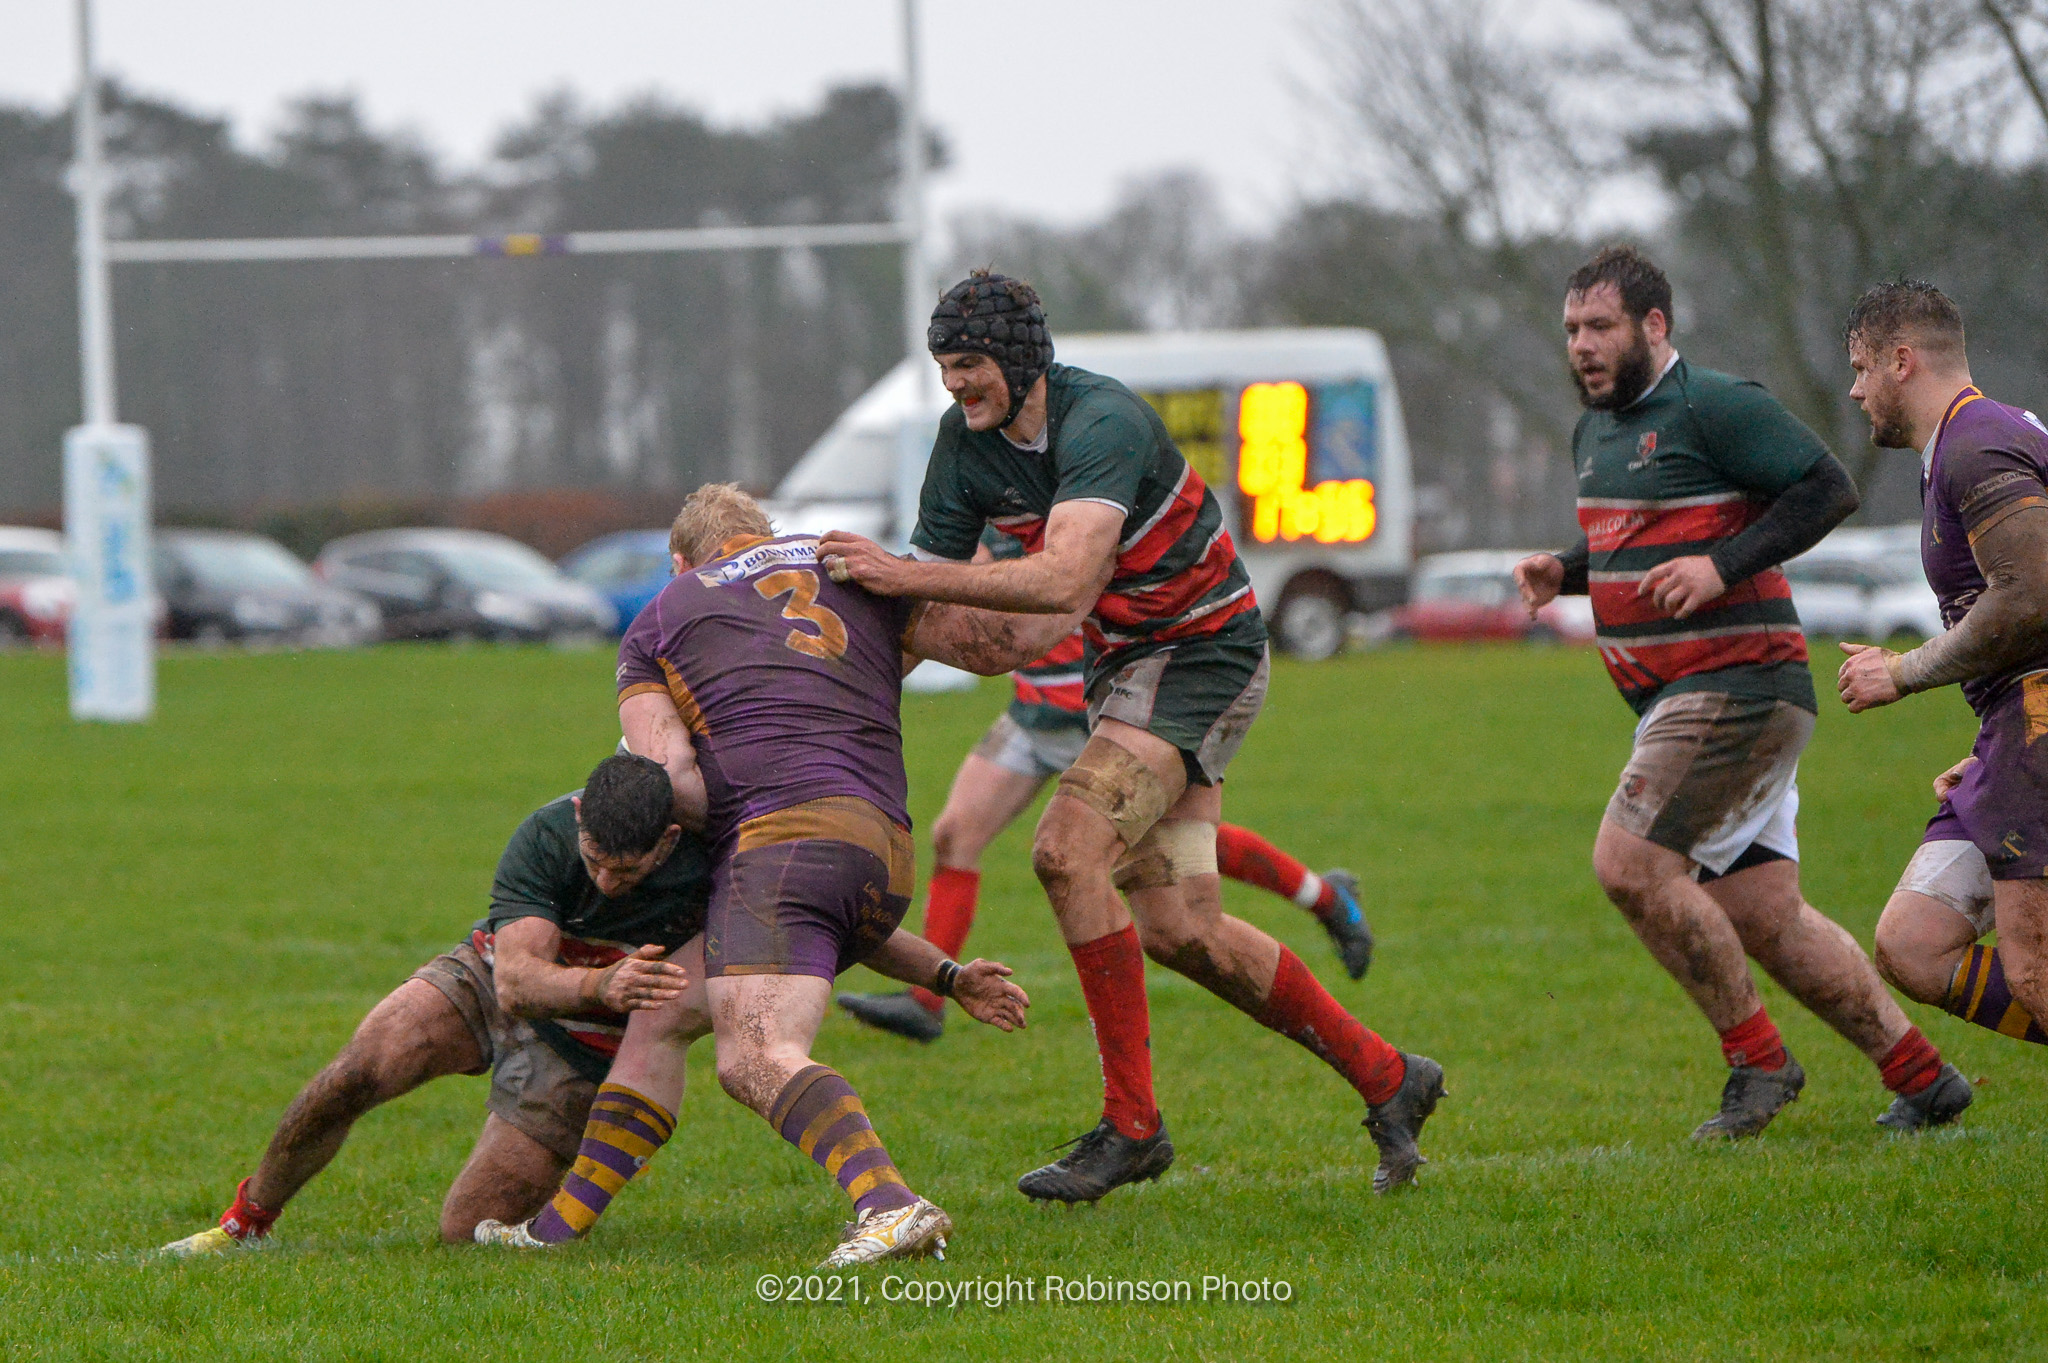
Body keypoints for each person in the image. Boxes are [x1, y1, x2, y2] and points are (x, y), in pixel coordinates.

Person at [817, 270, 1443, 1201]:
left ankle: (1133, 1126)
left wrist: (902, 577)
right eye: (945, 367)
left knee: (1065, 850)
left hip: (1204, 656)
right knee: (1186, 931)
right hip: (1127, 668)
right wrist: (827, 694)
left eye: (971, 364)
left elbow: (1063, 581)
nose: (956, 384)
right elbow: (929, 607)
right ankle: (1392, 1077)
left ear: (1022, 358)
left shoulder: (1101, 421)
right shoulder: (963, 443)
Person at [478, 484, 1046, 1266]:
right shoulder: (847, 565)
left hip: (782, 838)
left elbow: (673, 776)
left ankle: (889, 1203)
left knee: (753, 1053)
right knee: (663, 1013)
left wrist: (695, 812)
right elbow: (991, 645)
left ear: (680, 561)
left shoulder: (663, 614)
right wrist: (948, 975)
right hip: (883, 842)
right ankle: (552, 1232)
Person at [1513, 246, 1967, 1139]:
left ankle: (1760, 1062)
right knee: (1764, 913)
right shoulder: (1592, 433)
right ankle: (1925, 1077)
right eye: (1570, 330)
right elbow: (1634, 546)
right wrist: (1564, 570)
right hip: (1687, 698)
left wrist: (1723, 567)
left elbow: (1826, 488)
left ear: (1654, 325)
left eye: (1600, 326)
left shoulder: (1713, 404)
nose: (1581, 346)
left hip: (1737, 684)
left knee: (1630, 864)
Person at [160, 754, 715, 1255]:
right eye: (594, 860)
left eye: (627, 871)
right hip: (492, 976)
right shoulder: (547, 834)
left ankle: (559, 1198)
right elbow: (516, 983)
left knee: (469, 1231)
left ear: (667, 841)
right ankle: (245, 1222)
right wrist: (600, 985)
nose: (607, 882)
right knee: (360, 1069)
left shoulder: (716, 867)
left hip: (583, 1047)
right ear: (578, 818)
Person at [838, 537, 1373, 1045]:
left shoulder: (1073, 507)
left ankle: (1329, 898)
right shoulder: (985, 501)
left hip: (1099, 715)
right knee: (955, 834)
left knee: (1177, 851)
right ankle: (926, 1002)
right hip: (1033, 713)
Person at [1837, 280, 2048, 1060]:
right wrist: (1997, 746)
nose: (1855, 390)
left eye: (1861, 368)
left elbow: (2031, 595)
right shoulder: (1966, 443)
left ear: (1902, 361)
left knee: (2037, 974)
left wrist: (1903, 671)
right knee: (1914, 942)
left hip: (2036, 714)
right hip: (2021, 722)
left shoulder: (1975, 443)